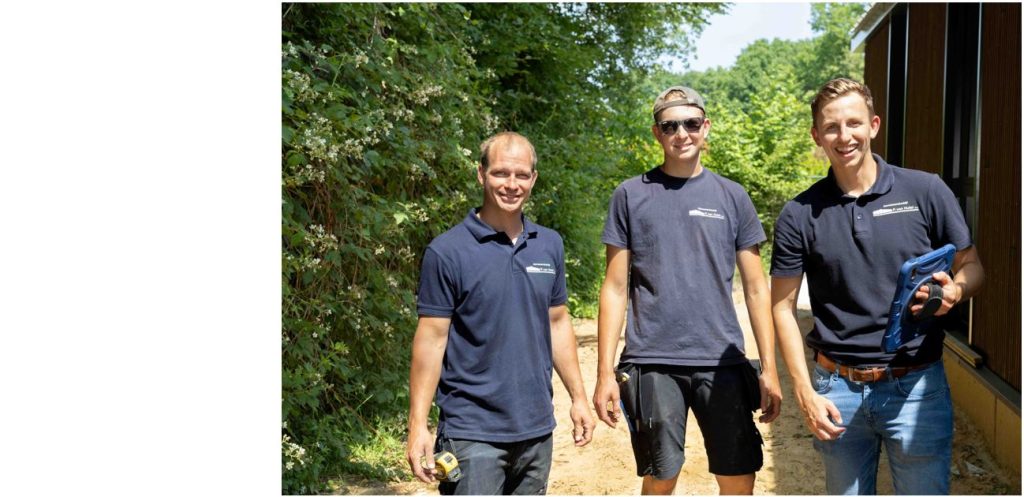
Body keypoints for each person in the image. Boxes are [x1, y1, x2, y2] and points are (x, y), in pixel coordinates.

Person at [770, 78, 985, 495]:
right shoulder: (799, 213)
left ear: (873, 125)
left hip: (917, 386)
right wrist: (804, 390)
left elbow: (972, 266)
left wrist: (954, 291)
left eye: (853, 123)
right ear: (816, 135)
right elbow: (782, 306)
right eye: (831, 127)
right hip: (837, 392)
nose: (844, 136)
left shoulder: (925, 190)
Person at [592, 85, 782, 495]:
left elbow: (755, 288)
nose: (682, 133)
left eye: (691, 123)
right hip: (652, 359)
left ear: (705, 127)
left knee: (737, 475)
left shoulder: (732, 196)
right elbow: (614, 286)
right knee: (661, 475)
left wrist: (769, 368)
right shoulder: (630, 195)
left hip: (722, 359)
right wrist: (604, 372)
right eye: (670, 125)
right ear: (657, 133)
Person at [406, 131, 595, 495]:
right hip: (471, 434)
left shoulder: (549, 245)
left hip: (537, 429)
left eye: (521, 175)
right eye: (500, 173)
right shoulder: (447, 252)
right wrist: (418, 426)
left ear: (533, 179)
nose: (512, 184)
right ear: (481, 174)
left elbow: (557, 323)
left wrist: (579, 398)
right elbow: (431, 340)